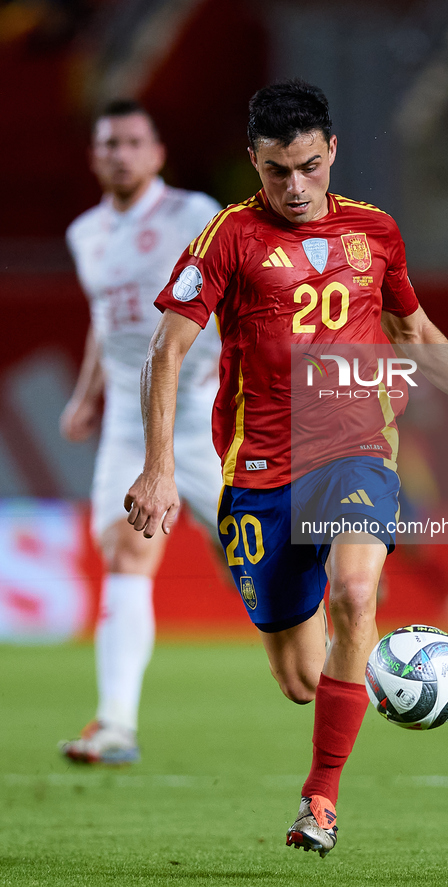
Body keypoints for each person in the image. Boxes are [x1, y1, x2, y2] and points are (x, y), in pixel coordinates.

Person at [124, 80, 448, 854]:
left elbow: (411, 327)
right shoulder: (225, 239)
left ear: (332, 153)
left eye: (309, 167)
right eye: (277, 170)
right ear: (253, 160)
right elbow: (168, 349)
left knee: (357, 593)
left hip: (354, 449)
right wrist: (157, 465)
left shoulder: (376, 231)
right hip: (258, 469)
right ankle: (365, 667)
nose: (295, 186)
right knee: (298, 678)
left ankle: (319, 800)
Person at [58, 99, 222, 765]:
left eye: (131, 142)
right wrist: (86, 392)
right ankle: (117, 724)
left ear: (156, 153)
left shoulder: (194, 214)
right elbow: (106, 315)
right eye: (108, 144)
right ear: (95, 155)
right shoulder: (84, 232)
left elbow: (233, 296)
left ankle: (336, 662)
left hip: (202, 412)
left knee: (260, 559)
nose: (119, 154)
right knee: (125, 554)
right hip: (129, 417)